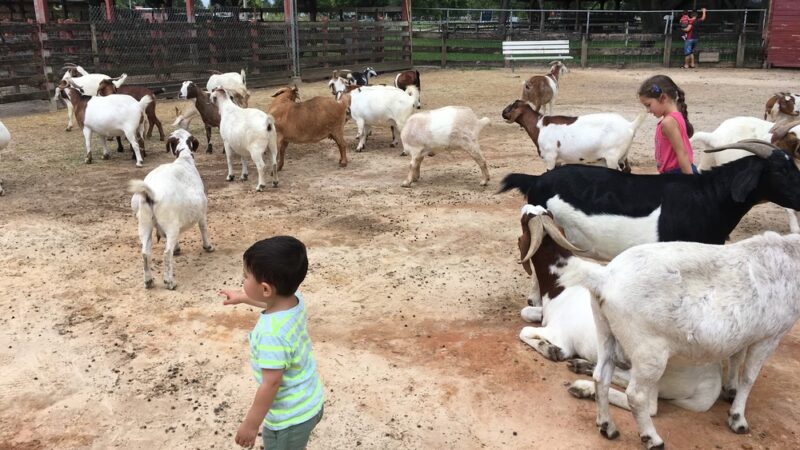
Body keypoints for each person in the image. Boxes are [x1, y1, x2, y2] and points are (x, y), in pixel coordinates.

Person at [220, 236, 325, 449]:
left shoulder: (271, 334)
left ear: (266, 289)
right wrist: (242, 297)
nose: (242, 279)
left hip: (289, 419)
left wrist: (251, 425)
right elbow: (271, 299)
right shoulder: (295, 300)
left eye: (245, 276)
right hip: (310, 400)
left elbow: (271, 383)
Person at [637, 75, 697, 175]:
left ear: (663, 98)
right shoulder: (676, 116)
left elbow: (682, 154)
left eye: (648, 105)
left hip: (678, 175)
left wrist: (690, 183)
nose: (648, 110)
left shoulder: (668, 122)